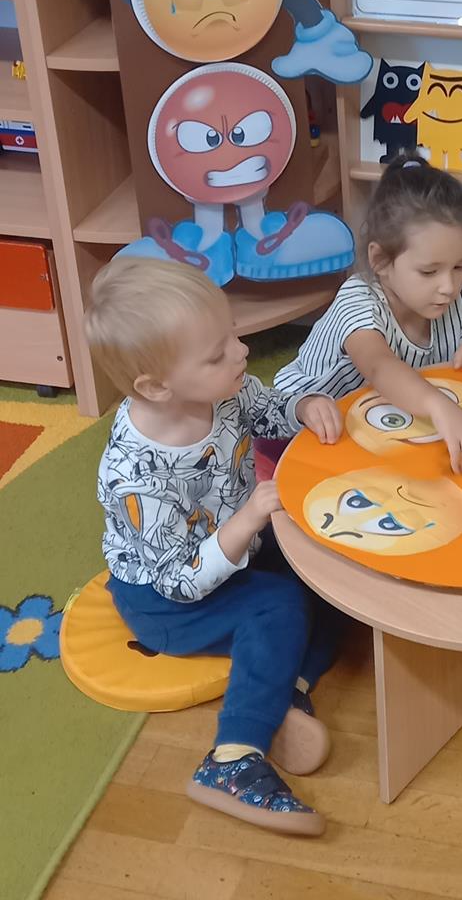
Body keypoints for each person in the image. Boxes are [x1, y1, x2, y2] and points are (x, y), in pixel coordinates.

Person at [89, 258, 345, 836]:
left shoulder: (224, 389)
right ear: (156, 386)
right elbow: (180, 580)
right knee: (277, 605)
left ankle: (288, 692)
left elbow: (267, 408)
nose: (241, 352)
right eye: (217, 352)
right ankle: (232, 757)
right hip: (166, 600)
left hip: (235, 544)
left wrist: (302, 407)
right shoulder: (135, 474)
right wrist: (250, 516)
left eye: (232, 333)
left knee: (326, 568)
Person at [275, 155, 462, 476]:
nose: (448, 287)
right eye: (429, 272)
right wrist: (440, 408)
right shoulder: (358, 299)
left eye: (460, 266)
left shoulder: (454, 305)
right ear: (381, 260)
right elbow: (379, 367)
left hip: (373, 426)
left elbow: (458, 365)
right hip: (295, 426)